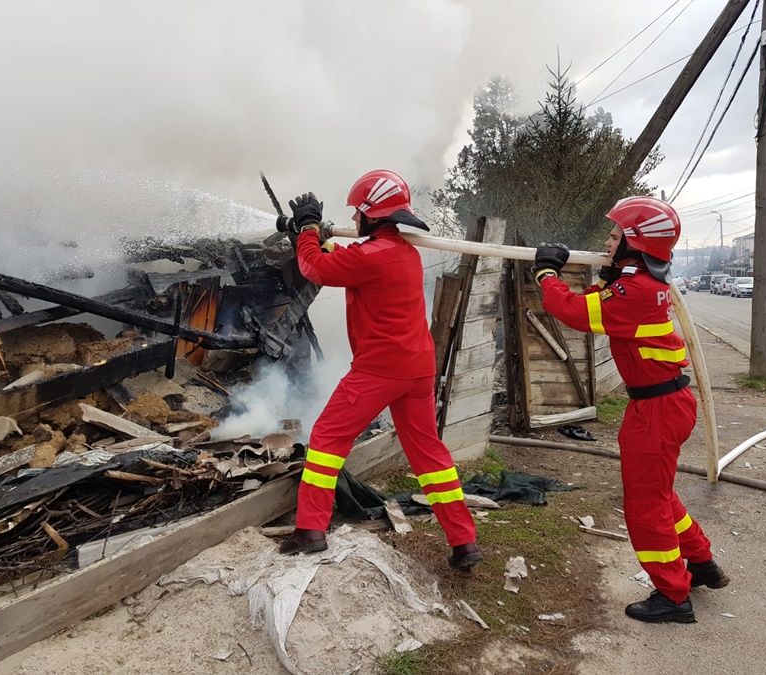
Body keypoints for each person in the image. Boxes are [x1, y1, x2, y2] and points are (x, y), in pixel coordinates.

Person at [531, 196, 729, 623]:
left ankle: (673, 596)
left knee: (645, 505)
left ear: (635, 242)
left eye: (615, 235)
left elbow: (572, 311)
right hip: (665, 403)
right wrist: (607, 275)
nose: (607, 241)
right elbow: (602, 301)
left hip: (656, 410)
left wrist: (546, 273)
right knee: (659, 494)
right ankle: (700, 562)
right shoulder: (641, 283)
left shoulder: (634, 290)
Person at [277, 169, 481, 570]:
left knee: (327, 438)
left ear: (374, 214)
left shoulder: (369, 257)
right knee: (429, 456)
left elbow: (315, 269)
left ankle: (310, 530)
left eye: (358, 212)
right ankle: (464, 542)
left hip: (379, 371)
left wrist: (308, 228)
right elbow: (340, 260)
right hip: (418, 370)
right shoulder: (402, 253)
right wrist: (309, 237)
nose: (354, 219)